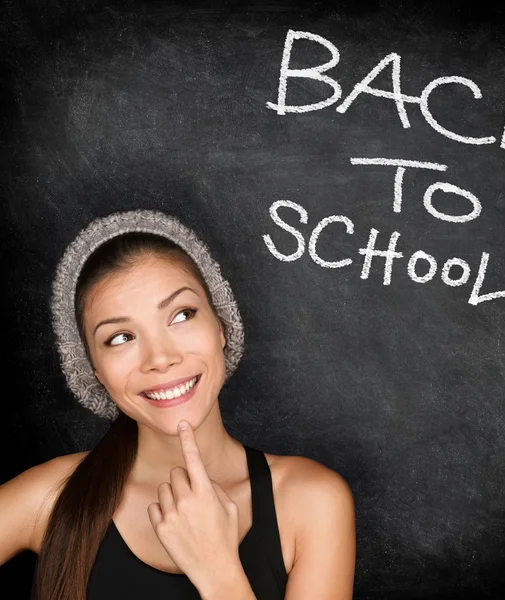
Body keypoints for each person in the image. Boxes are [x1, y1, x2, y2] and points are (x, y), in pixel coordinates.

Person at [0, 210, 356, 600]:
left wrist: (218, 570)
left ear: (220, 326)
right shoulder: (52, 496)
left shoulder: (312, 501)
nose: (160, 357)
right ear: (96, 371)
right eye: (120, 337)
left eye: (181, 315)